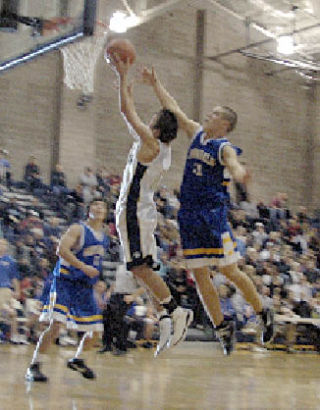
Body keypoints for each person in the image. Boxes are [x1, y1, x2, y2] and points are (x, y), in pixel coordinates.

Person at [142, 66, 274, 355]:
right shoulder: (197, 133)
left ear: (225, 123)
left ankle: (263, 311)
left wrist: (240, 174)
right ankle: (222, 327)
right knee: (200, 276)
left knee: (229, 270)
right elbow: (174, 109)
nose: (209, 115)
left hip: (212, 216)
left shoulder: (224, 146)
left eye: (215, 113)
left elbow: (233, 163)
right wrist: (155, 84)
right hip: (189, 216)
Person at [110, 55, 193, 356]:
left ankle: (175, 309)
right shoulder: (162, 147)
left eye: (153, 119)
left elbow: (125, 112)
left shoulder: (151, 143)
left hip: (133, 210)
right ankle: (165, 319)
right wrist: (138, 88)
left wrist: (122, 76)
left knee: (140, 269)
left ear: (157, 127)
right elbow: (130, 109)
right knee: (140, 270)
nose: (149, 121)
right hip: (141, 210)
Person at [25, 199, 109, 382]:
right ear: (89, 210)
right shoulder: (78, 229)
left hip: (84, 286)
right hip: (65, 281)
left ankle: (77, 360)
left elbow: (96, 263)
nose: (99, 207)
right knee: (56, 325)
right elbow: (61, 250)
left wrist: (94, 281)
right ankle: (34, 366)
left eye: (102, 206)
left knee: (96, 331)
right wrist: (82, 267)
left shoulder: (105, 235)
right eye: (95, 205)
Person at [0, 239, 20, 343]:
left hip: (6, 290)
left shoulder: (10, 261)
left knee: (10, 313)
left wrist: (17, 290)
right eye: (0, 244)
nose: (2, 246)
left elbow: (14, 278)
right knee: (8, 312)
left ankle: (14, 335)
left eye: (4, 244)